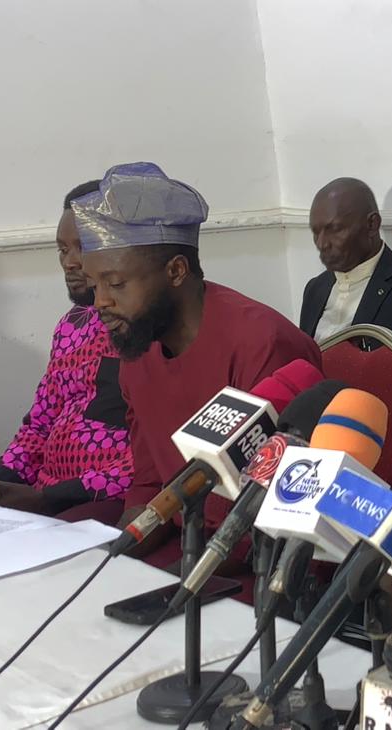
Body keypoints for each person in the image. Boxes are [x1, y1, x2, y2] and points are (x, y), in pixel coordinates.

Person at [73, 162, 321, 566]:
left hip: (261, 564)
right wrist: (111, 559)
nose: (100, 301)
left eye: (115, 284)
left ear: (176, 271)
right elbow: (150, 485)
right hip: (190, 546)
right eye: (94, 284)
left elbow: (284, 513)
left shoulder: (261, 343)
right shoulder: (139, 346)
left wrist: (177, 581)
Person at [0, 182, 133, 524]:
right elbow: (39, 425)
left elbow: (153, 462)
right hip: (44, 495)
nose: (70, 263)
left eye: (83, 247)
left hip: (104, 503)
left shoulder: (147, 330)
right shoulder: (72, 326)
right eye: (62, 249)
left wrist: (51, 498)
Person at [298, 177, 392, 348]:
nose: (322, 244)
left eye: (335, 229)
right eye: (316, 232)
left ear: (372, 224)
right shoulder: (314, 289)